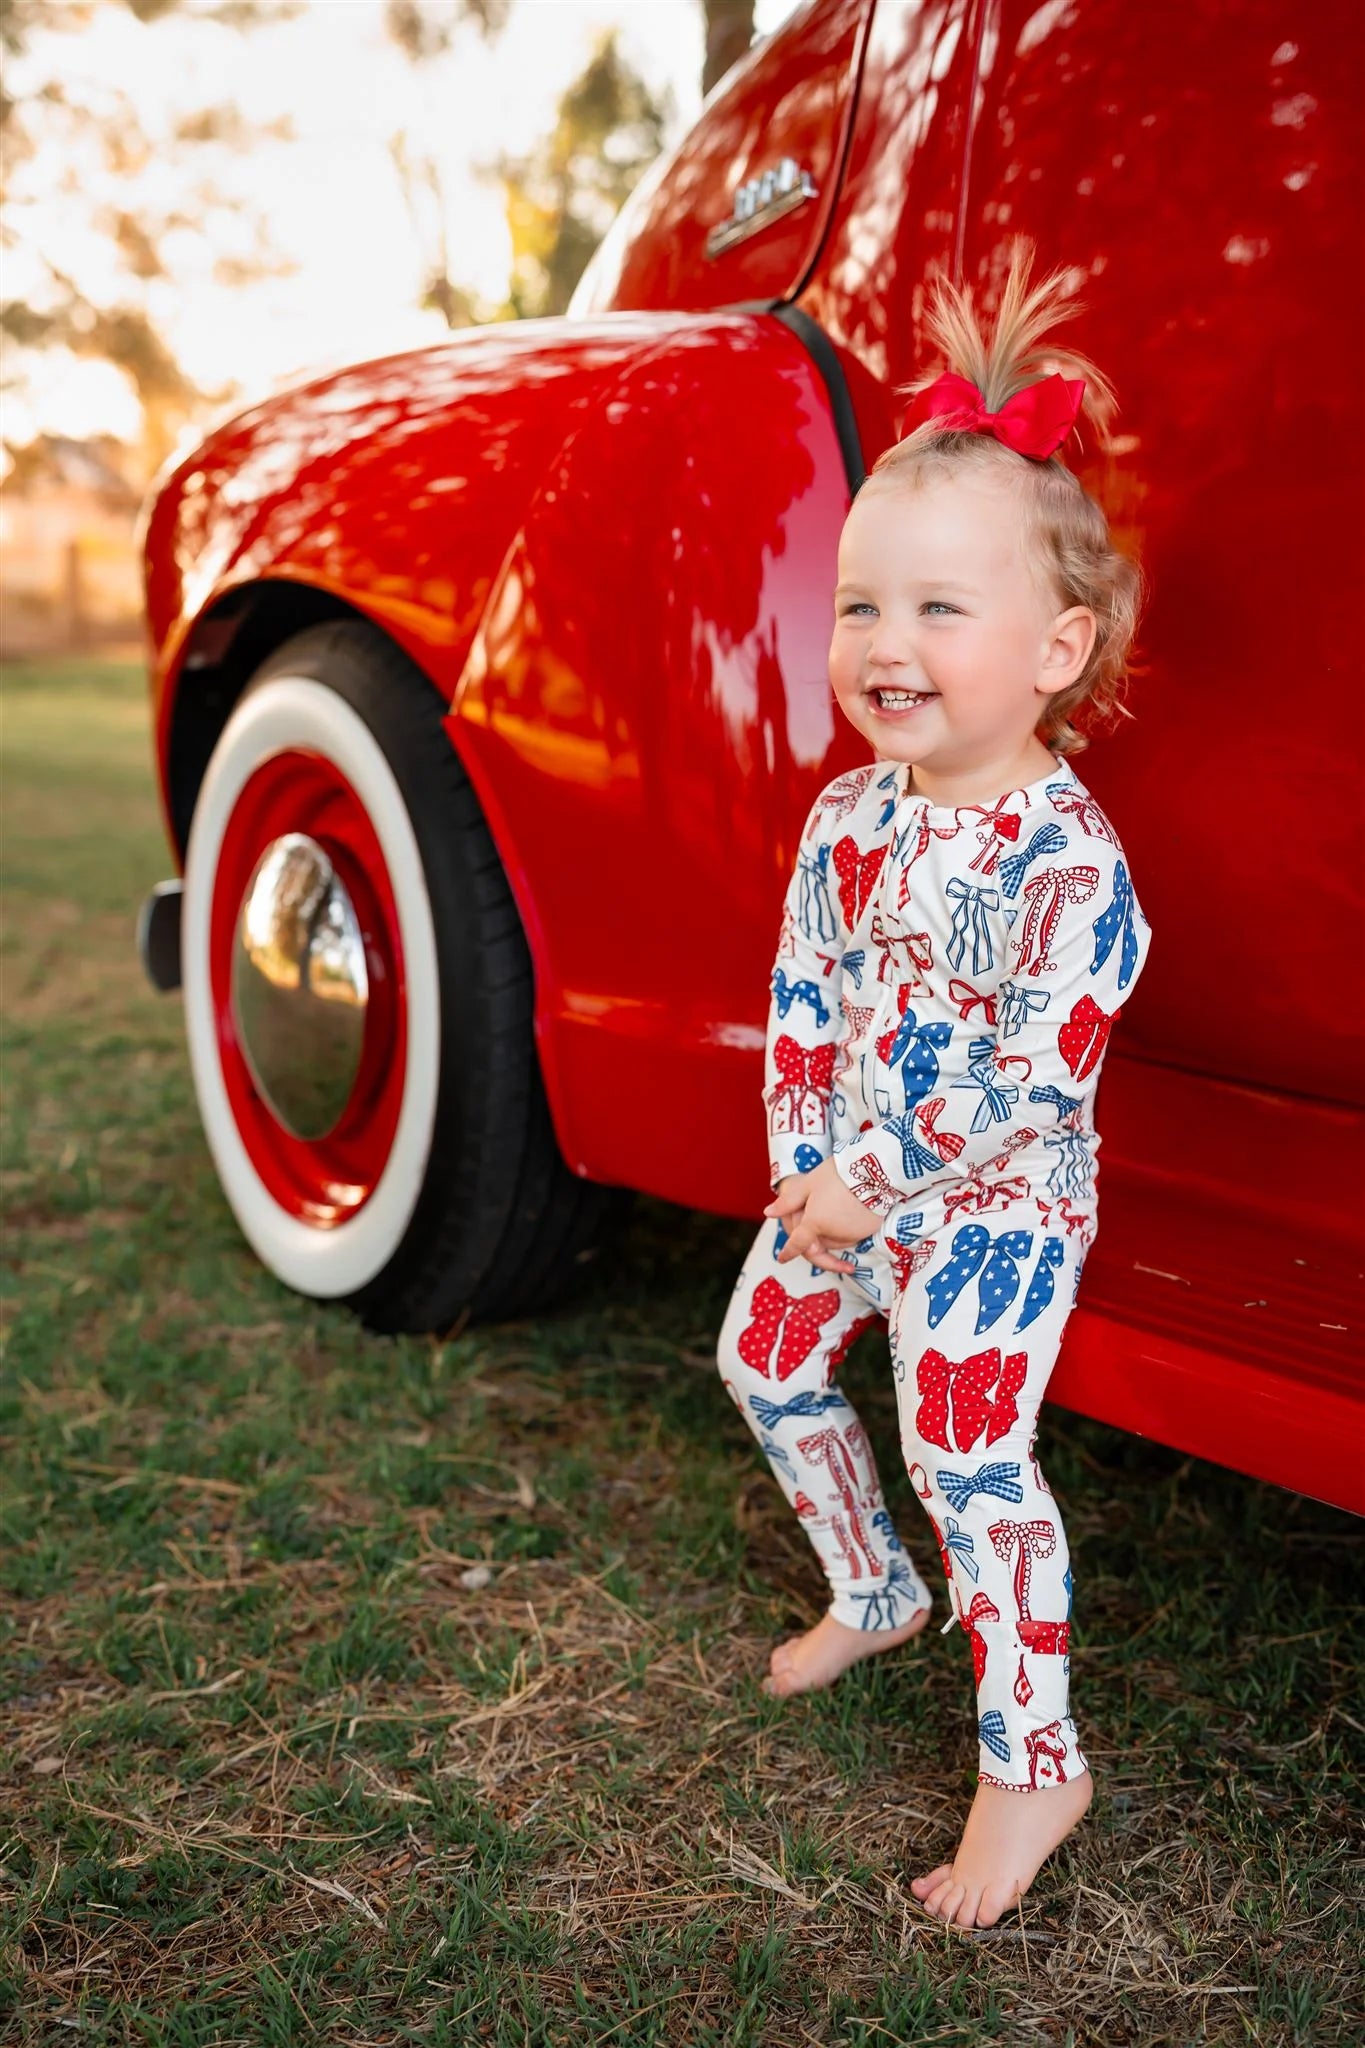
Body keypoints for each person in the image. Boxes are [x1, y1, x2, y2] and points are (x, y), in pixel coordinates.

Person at [715, 241, 1152, 1930]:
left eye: (936, 610)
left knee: (965, 1449)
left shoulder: (1070, 865)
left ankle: (1034, 1761)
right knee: (764, 1357)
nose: (884, 644)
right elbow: (804, 991)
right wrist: (804, 1165)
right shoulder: (849, 816)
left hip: (995, 1206)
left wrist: (873, 1181)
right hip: (844, 1180)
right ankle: (871, 1586)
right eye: (860, 605)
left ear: (1055, 648)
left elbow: (1033, 1077)